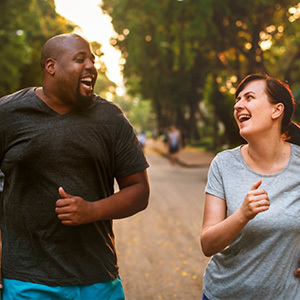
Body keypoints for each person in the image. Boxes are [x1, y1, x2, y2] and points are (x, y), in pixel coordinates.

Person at [0, 33, 150, 300]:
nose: (91, 66)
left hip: (96, 280)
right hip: (27, 282)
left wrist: (92, 210)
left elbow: (139, 190)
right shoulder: (8, 114)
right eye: (80, 59)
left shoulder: (111, 119)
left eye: (92, 60)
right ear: (51, 66)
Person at [200, 73, 300, 300]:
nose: (238, 105)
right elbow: (207, 244)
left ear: (277, 110)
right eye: (237, 99)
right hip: (225, 293)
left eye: (249, 97)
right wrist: (242, 215)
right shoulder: (223, 163)